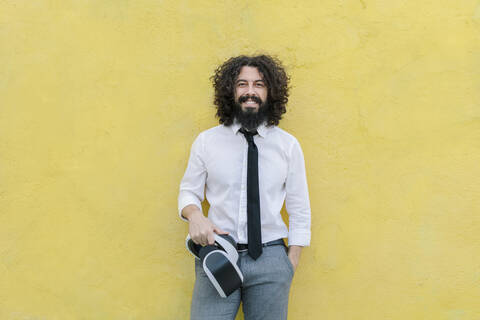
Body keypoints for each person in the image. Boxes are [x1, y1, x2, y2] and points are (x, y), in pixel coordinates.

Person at [178, 54, 311, 320]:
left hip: (271, 258)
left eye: (259, 84)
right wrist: (195, 216)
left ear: (270, 92)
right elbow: (188, 191)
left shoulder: (288, 146)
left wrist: (290, 261)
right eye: (242, 84)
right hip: (218, 254)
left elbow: (299, 208)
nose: (250, 92)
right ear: (231, 90)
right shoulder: (207, 142)